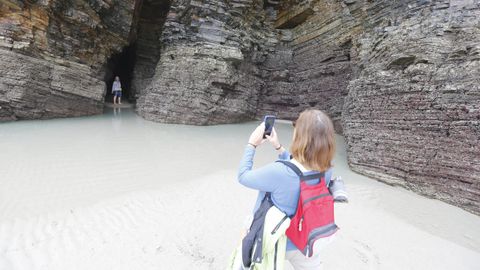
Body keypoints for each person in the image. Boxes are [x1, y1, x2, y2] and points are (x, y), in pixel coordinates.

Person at [238, 109, 336, 269]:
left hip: (275, 240)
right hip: (305, 238)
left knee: (243, 261)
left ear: (300, 136)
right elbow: (301, 169)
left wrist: (251, 144)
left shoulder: (279, 172)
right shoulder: (326, 170)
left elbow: (243, 176)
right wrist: (278, 148)